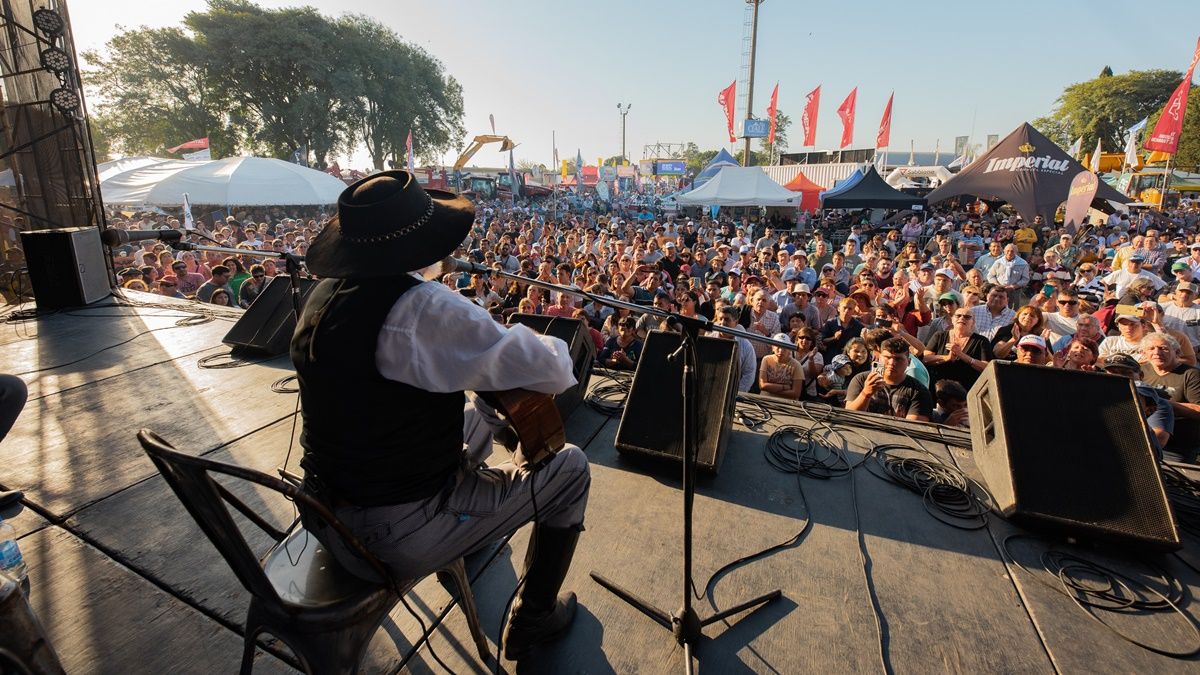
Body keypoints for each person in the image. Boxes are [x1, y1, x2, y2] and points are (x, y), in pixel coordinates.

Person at [292, 171, 590, 660]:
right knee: (572, 467)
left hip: (321, 509)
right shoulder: (424, 309)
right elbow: (552, 367)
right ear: (421, 241)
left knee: (478, 416)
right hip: (391, 534)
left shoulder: (322, 295)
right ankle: (534, 616)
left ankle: (467, 532)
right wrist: (510, 332)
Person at [1139, 333, 1200, 462]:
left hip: (1179, 445)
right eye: (1151, 348)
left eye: (1163, 348)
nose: (1157, 352)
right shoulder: (1140, 371)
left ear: (1177, 352)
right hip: (1143, 440)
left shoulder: (1191, 374)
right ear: (1144, 353)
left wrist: (1158, 402)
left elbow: (1198, 410)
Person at [845, 337, 933, 421]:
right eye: (887, 357)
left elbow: (913, 429)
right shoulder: (861, 380)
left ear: (909, 362)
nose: (892, 363)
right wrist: (866, 393)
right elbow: (848, 416)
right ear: (879, 358)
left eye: (898, 359)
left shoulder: (919, 391)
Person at [922, 308, 993, 390]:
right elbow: (925, 359)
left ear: (973, 322)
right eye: (958, 316)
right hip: (940, 388)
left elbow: (987, 367)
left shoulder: (981, 341)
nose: (962, 318)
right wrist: (946, 358)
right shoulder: (939, 335)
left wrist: (962, 355)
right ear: (952, 319)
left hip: (968, 389)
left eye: (967, 317)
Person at [758, 333, 803, 399]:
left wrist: (771, 390)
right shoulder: (766, 359)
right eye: (778, 346)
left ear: (789, 350)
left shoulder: (796, 365)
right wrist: (784, 387)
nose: (781, 351)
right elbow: (762, 385)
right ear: (773, 348)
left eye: (784, 347)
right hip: (765, 399)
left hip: (786, 404)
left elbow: (796, 393)